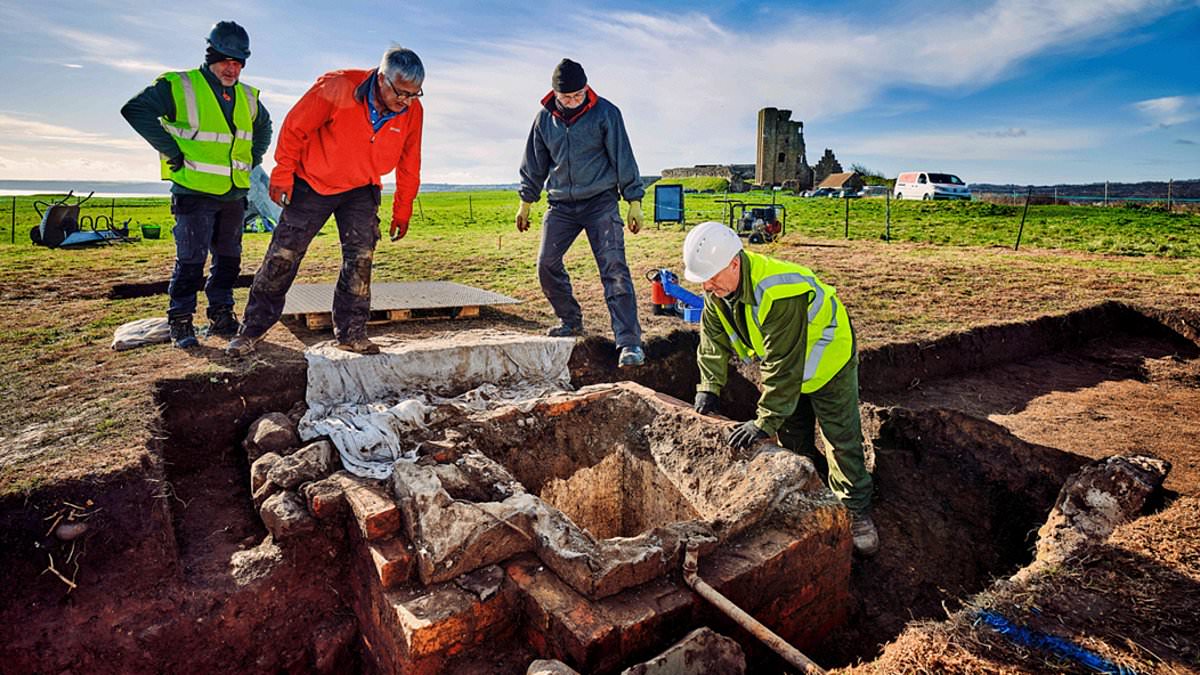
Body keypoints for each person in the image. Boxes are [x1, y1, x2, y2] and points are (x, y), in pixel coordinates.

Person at [682, 221, 879, 556]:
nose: (707, 285)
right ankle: (811, 496)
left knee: (840, 439)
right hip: (789, 368)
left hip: (827, 360)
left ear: (734, 263)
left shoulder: (777, 291)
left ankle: (856, 510)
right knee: (793, 439)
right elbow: (712, 338)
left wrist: (764, 422)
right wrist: (709, 386)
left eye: (712, 276)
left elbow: (783, 366)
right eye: (702, 279)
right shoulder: (717, 290)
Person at [226, 46, 425, 357]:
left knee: (360, 259)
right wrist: (283, 173)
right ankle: (251, 330)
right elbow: (295, 127)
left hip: (362, 187)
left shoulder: (412, 110)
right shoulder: (338, 86)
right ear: (381, 78)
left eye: (414, 94)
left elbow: (410, 161)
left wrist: (403, 207)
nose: (407, 101)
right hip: (313, 182)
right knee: (284, 254)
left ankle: (351, 333)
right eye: (401, 93)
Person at [121, 20, 272, 349]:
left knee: (229, 260)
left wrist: (254, 156)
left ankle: (221, 314)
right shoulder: (182, 85)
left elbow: (264, 126)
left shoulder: (247, 96)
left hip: (233, 192)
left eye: (239, 62)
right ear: (211, 57)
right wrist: (171, 150)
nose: (232, 69)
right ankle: (180, 320)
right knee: (191, 261)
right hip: (193, 190)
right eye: (226, 61)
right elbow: (136, 109)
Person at [516, 58, 647, 367]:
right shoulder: (543, 120)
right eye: (567, 97)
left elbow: (623, 156)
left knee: (614, 268)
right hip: (561, 204)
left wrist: (634, 201)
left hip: (600, 201)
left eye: (579, 94)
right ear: (555, 94)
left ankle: (629, 342)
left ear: (586, 88)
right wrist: (526, 201)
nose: (574, 101)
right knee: (546, 263)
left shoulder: (606, 113)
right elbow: (534, 164)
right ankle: (570, 320)